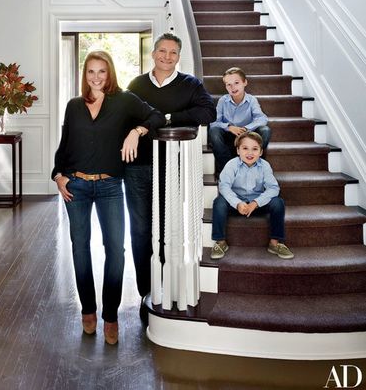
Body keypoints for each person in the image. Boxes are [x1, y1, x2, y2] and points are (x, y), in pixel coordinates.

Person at [52, 50, 165, 345]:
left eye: (102, 71)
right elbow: (65, 145)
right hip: (75, 185)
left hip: (111, 186)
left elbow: (156, 116)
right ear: (84, 74)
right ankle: (88, 310)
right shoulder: (74, 106)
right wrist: (58, 174)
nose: (96, 77)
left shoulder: (124, 100)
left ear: (110, 73)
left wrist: (136, 132)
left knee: (116, 250)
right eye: (91, 71)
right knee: (80, 249)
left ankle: (111, 315)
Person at [125, 33, 216, 317]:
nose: (167, 56)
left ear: (179, 56)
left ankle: (167, 283)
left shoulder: (191, 84)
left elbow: (207, 113)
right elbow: (126, 119)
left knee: (168, 228)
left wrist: (164, 118)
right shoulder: (136, 85)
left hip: (172, 167)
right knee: (140, 230)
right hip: (138, 166)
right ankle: (146, 290)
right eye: (162, 51)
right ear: (153, 54)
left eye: (173, 52)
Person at [210, 131, 294, 260]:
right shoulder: (232, 165)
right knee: (219, 202)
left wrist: (255, 203)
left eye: (255, 149)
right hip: (237, 204)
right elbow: (224, 186)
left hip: (257, 204)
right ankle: (220, 242)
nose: (250, 153)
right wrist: (237, 203)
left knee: (278, 203)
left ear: (260, 152)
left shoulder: (264, 166)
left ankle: (275, 243)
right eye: (245, 148)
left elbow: (273, 188)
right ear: (238, 150)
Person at [209, 67, 271, 178]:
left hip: (247, 136)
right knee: (214, 131)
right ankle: (227, 170)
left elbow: (262, 119)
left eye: (236, 83)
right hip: (229, 135)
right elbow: (214, 122)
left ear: (245, 82)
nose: (232, 87)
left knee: (265, 130)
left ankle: (252, 166)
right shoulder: (223, 100)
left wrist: (246, 129)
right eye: (228, 84)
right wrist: (229, 127)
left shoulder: (251, 100)